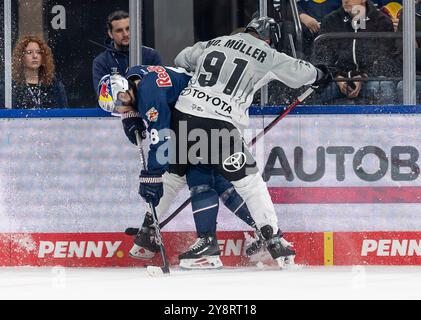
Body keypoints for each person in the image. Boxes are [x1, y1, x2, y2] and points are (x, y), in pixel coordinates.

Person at [170, 16, 330, 268]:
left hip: (184, 117)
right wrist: (321, 74)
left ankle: (199, 243)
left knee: (199, 179)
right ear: (269, 38)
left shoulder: (216, 41)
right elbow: (302, 73)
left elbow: (181, 59)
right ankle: (273, 239)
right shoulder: (268, 53)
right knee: (250, 184)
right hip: (218, 124)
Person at [98, 66, 260, 270]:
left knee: (197, 175)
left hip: (205, 117)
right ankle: (266, 231)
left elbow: (162, 138)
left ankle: (207, 244)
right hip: (204, 112)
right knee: (217, 181)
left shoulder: (149, 95)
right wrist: (132, 117)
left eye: (118, 107)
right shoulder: (135, 77)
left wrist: (153, 174)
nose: (119, 111)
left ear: (124, 93)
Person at [312, 0, 399, 105]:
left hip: (370, 78)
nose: (346, 0)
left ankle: (386, 120)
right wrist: (337, 76)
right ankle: (312, 121)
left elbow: (385, 59)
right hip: (335, 79)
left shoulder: (382, 21)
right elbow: (321, 58)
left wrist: (362, 76)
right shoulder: (330, 20)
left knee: (383, 86)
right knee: (316, 89)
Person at [92, 10, 162, 95]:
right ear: (110, 34)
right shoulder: (101, 62)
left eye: (128, 29)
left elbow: (159, 89)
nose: (125, 34)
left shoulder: (151, 55)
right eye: (119, 30)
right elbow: (103, 95)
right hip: (118, 108)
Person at [1, 35, 68, 109]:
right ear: (21, 57)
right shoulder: (11, 87)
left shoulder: (54, 86)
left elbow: (64, 115)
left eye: (38, 52)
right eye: (29, 52)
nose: (35, 56)